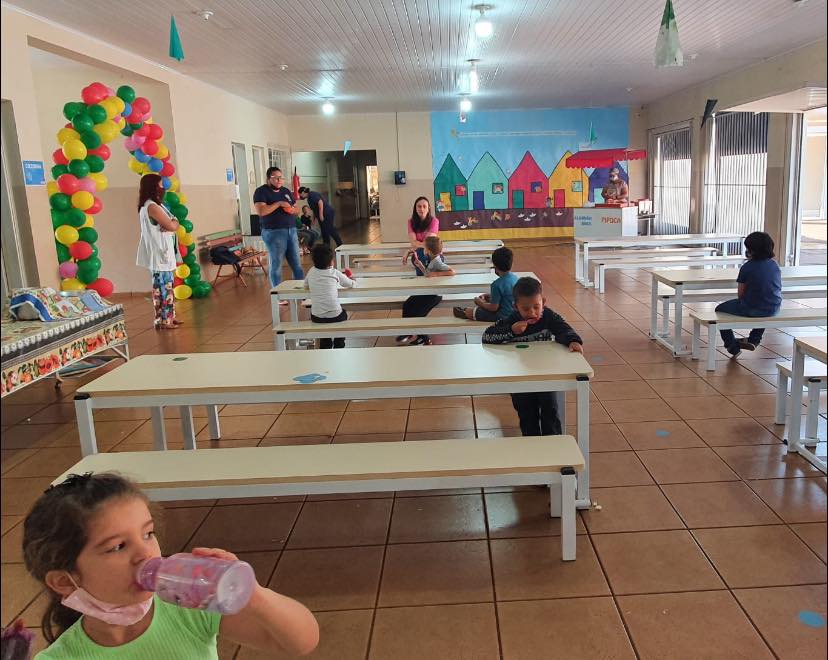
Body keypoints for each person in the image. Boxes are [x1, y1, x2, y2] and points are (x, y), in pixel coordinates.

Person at [22, 472, 319, 658]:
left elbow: (301, 642)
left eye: (148, 534)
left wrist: (253, 595)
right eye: (118, 546)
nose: (145, 554)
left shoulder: (185, 609)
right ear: (65, 581)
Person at [482, 277, 583, 436]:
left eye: (536, 306)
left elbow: (564, 329)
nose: (532, 313)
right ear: (516, 307)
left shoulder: (548, 316)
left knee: (550, 411)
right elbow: (487, 336)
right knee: (527, 415)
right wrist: (511, 331)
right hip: (520, 378)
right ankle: (532, 444)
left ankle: (553, 445)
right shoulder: (512, 319)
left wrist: (573, 341)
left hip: (546, 374)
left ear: (543, 302)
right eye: (525, 309)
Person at [715, 231, 782, 358]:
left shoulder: (747, 267)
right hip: (774, 307)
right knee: (764, 308)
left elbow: (741, 294)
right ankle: (754, 339)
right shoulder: (775, 265)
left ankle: (731, 345)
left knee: (719, 310)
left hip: (752, 308)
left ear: (751, 251)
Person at [135, 173, 181, 331]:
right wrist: (174, 223)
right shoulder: (152, 207)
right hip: (159, 254)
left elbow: (172, 223)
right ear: (153, 187)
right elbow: (172, 225)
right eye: (160, 185)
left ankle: (169, 317)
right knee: (162, 289)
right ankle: (164, 320)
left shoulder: (155, 205)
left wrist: (173, 222)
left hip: (162, 253)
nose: (163, 188)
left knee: (167, 287)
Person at [254, 167, 304, 294]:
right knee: (276, 265)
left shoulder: (286, 191)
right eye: (276, 178)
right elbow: (261, 211)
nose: (279, 180)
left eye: (281, 177)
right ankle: (277, 294)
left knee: (297, 264)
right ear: (268, 178)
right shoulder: (261, 192)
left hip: (291, 230)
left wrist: (292, 210)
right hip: (274, 232)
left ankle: (301, 291)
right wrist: (279, 203)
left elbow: (297, 209)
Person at [399, 235, 455, 346]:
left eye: (424, 248)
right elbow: (427, 274)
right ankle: (407, 331)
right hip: (425, 292)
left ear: (428, 251)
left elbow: (452, 271)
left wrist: (436, 274)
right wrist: (420, 266)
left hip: (433, 296)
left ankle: (424, 339)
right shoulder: (431, 259)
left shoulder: (437, 262)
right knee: (407, 305)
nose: (423, 250)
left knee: (417, 315)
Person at [306, 244, 356, 349]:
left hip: (317, 316)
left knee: (323, 329)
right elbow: (350, 284)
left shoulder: (311, 272)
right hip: (335, 315)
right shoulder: (334, 272)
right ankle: (339, 343)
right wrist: (352, 278)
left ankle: (325, 344)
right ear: (331, 262)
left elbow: (305, 286)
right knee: (343, 314)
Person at [453, 247, 518, 322]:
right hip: (514, 314)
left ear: (495, 266)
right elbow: (507, 296)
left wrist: (480, 303)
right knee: (482, 308)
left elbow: (493, 308)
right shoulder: (515, 278)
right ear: (512, 264)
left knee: (474, 311)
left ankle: (467, 313)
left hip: (502, 316)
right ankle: (469, 311)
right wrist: (490, 296)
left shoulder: (496, 284)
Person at [403, 196, 440, 276]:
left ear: (428, 208)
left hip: (432, 254)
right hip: (418, 255)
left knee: (423, 253)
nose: (422, 209)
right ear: (415, 209)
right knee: (420, 253)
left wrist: (409, 250)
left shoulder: (434, 221)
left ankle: (426, 277)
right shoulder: (411, 222)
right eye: (419, 206)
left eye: (424, 206)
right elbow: (413, 242)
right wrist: (413, 247)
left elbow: (428, 243)